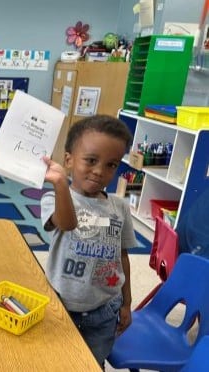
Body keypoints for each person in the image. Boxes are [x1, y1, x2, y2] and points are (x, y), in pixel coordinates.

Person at [39, 115, 135, 368]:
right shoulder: (54, 200)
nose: (100, 171)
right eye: (91, 160)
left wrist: (127, 302)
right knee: (53, 361)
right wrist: (60, 183)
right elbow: (67, 223)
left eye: (111, 165)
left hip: (104, 310)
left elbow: (121, 255)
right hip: (61, 306)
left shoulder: (120, 208)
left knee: (91, 364)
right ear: (68, 159)